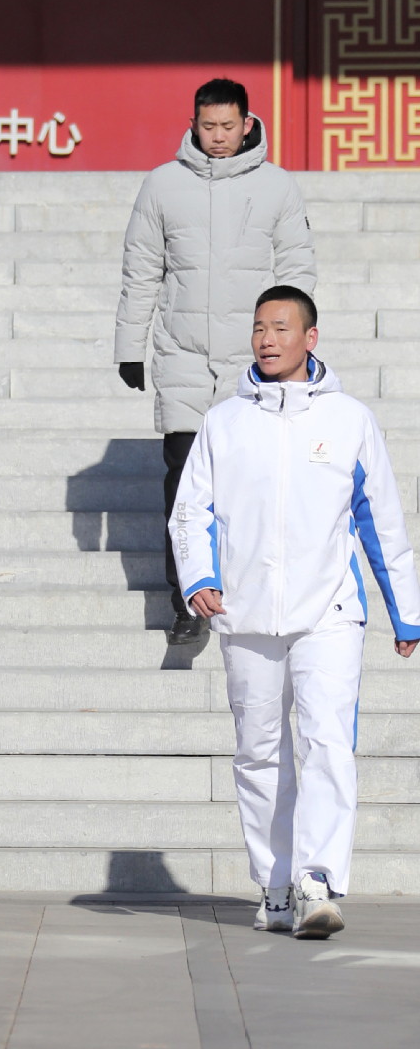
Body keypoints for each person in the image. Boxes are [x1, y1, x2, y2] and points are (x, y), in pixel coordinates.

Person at [172, 286, 420, 938]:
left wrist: (405, 610)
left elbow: (380, 519)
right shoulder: (224, 422)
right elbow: (190, 509)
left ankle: (317, 882)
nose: (266, 338)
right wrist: (199, 577)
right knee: (258, 754)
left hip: (327, 613)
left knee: (326, 743)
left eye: (280, 327)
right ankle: (274, 885)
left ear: (309, 337)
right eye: (258, 327)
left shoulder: (347, 420)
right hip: (246, 613)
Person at [114, 77, 316, 644]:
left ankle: (245, 590)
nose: (219, 137)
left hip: (254, 361)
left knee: (249, 482)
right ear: (193, 123)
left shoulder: (277, 187)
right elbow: (141, 271)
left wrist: (290, 340)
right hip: (181, 355)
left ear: (248, 124)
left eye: (229, 126)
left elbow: (298, 268)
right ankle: (187, 602)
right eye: (209, 126)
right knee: (182, 482)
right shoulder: (161, 186)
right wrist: (130, 348)